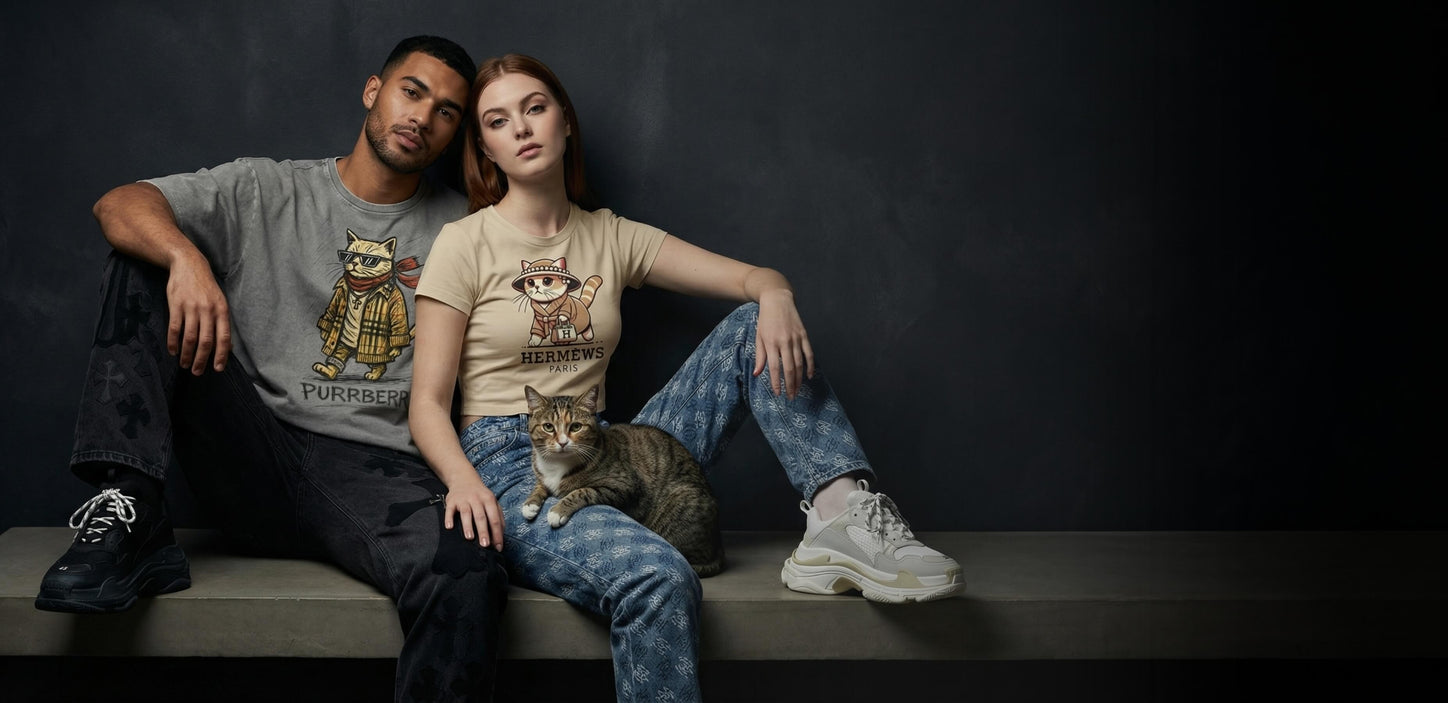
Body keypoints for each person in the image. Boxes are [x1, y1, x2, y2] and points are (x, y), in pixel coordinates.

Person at [409, 54, 966, 702]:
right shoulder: (464, 242)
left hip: (615, 448)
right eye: (499, 121)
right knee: (657, 576)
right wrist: (464, 483)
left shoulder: (609, 235)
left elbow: (753, 279)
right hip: (514, 463)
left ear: (564, 121)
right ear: (487, 148)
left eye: (535, 107)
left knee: (750, 324)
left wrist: (776, 295)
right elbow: (426, 402)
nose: (522, 128)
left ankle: (842, 517)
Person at [36, 36, 507, 703]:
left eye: (447, 112)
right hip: (253, 450)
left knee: (469, 569)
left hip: (380, 470)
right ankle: (133, 509)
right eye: (412, 91)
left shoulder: (464, 228)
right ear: (374, 90)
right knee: (143, 260)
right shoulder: (267, 188)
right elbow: (117, 203)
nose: (422, 117)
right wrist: (186, 258)